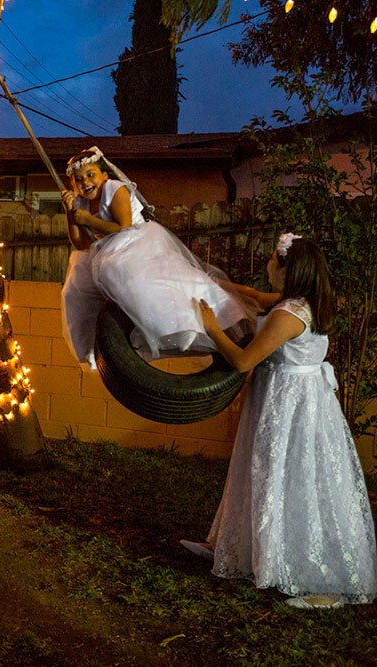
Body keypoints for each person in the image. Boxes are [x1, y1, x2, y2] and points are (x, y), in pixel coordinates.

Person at [181, 234, 377, 608]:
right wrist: (216, 283)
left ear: (288, 270)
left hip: (289, 405)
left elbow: (243, 361)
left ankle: (320, 581)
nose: (267, 264)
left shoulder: (288, 315)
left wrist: (211, 326)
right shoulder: (302, 303)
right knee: (263, 474)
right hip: (295, 399)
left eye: (273, 260)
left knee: (285, 477)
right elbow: (256, 298)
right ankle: (235, 547)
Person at [60, 146, 253, 368]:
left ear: (103, 174)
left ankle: (178, 327)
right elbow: (80, 243)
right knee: (75, 288)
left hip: (134, 240)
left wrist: (88, 220)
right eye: (78, 180)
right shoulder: (81, 201)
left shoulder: (115, 189)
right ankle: (93, 349)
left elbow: (123, 226)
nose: (85, 183)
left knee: (130, 275)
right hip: (106, 249)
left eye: (90, 175)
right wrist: (70, 212)